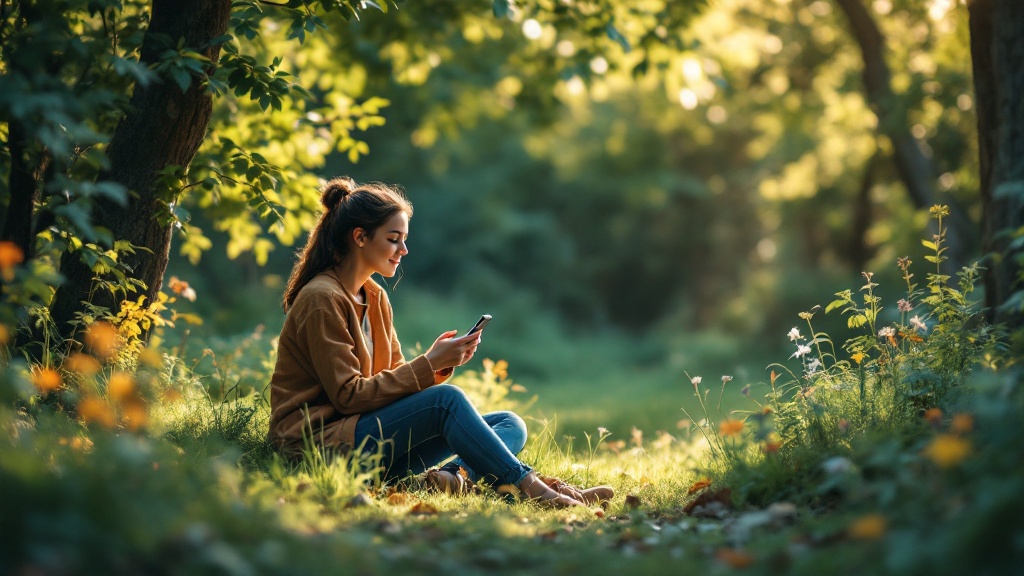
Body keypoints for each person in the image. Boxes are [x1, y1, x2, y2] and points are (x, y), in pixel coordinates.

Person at [268, 177, 612, 508]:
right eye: (393, 239)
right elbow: (347, 396)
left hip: (366, 439)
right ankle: (533, 487)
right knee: (446, 402)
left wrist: (439, 363)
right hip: (321, 446)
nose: (403, 249)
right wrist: (428, 364)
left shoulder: (374, 297)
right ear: (360, 237)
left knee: (509, 423)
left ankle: (448, 478)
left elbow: (391, 381)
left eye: (404, 239)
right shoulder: (321, 298)